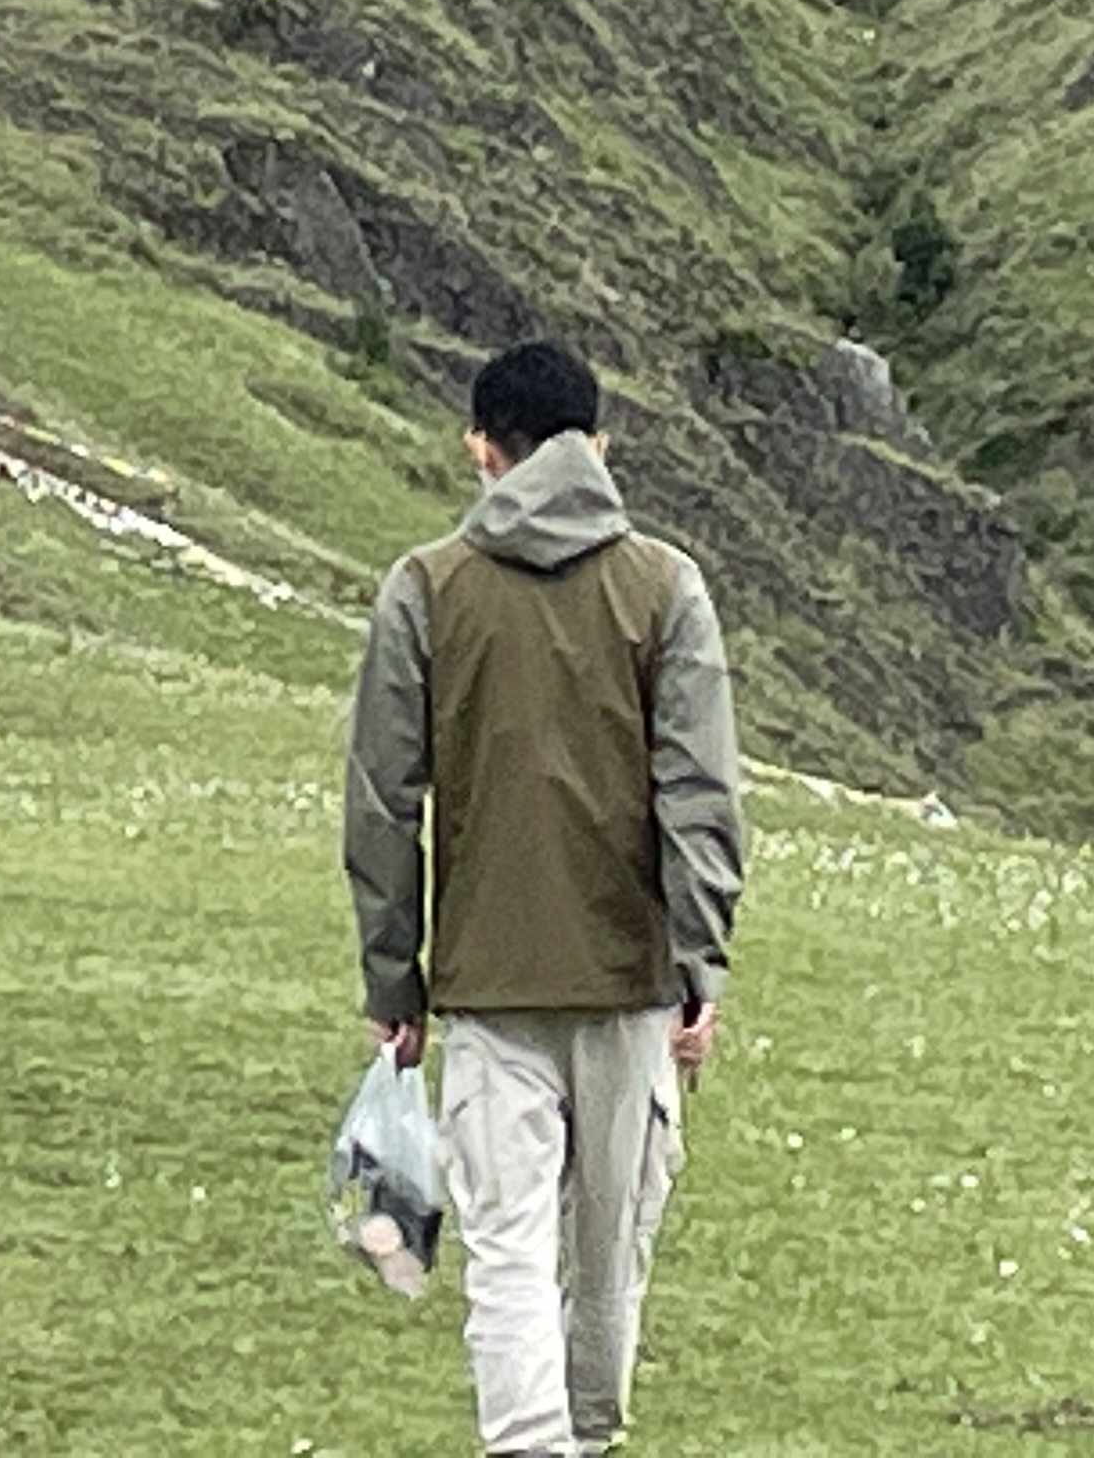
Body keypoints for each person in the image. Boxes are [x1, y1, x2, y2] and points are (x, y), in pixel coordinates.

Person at [344, 339, 744, 1458]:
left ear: (483, 447)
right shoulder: (667, 587)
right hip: (628, 980)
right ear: (597, 446)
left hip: (485, 984)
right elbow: (700, 793)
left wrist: (395, 978)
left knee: (507, 1251)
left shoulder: (425, 588)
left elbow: (383, 802)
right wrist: (698, 963)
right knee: (607, 1247)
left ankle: (531, 1446)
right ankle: (592, 1436)